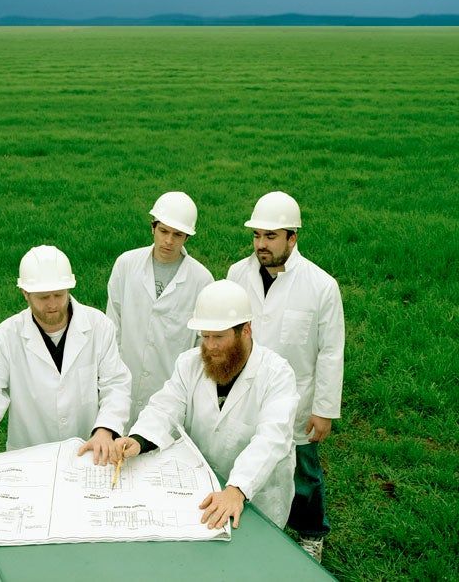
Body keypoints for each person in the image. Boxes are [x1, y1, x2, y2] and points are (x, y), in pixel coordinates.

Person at [112, 280, 299, 530]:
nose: (210, 346)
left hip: (256, 497)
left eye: (219, 337)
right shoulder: (190, 363)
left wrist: (237, 488)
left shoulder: (277, 375)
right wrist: (139, 439)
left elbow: (272, 439)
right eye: (205, 336)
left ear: (246, 330)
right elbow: (165, 407)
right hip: (201, 489)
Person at [0, 245, 132, 488]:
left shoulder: (99, 326)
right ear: (25, 293)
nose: (52, 304)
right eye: (43, 297)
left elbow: (115, 383)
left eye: (59, 295)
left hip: (87, 449)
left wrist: (105, 429)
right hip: (29, 453)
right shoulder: (6, 335)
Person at [227, 191, 345, 562]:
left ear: (292, 238)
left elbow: (330, 351)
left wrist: (324, 409)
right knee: (251, 462)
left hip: (298, 401)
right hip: (247, 394)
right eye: (257, 235)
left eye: (271, 236)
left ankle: (311, 533)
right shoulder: (236, 275)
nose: (261, 244)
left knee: (304, 474)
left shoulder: (320, 286)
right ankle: (256, 529)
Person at [106, 191, 213, 426]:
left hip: (170, 393)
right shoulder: (126, 265)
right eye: (164, 231)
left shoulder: (201, 280)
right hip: (123, 385)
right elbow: (113, 325)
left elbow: (201, 345)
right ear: (152, 228)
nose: (169, 241)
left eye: (177, 234)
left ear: (187, 237)